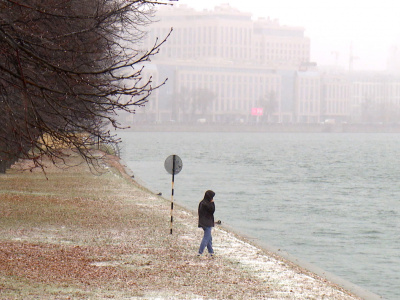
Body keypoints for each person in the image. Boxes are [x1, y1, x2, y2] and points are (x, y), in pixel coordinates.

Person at [197, 190, 215, 257]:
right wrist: (212, 203)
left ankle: (211, 252)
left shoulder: (202, 203)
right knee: (206, 237)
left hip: (202, 222)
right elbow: (212, 210)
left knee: (209, 237)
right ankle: (200, 252)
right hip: (207, 222)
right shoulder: (208, 204)